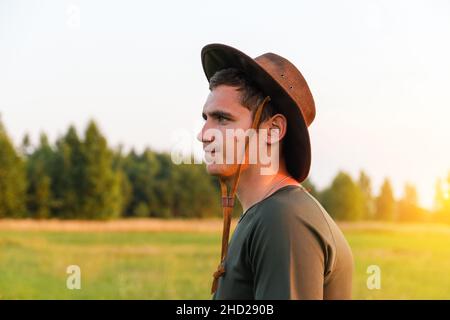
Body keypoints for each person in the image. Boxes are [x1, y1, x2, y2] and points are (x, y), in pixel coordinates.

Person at [197, 43, 353, 299]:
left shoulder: (283, 219)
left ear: (272, 131)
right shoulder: (265, 214)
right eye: (206, 119)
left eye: (222, 119)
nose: (204, 135)